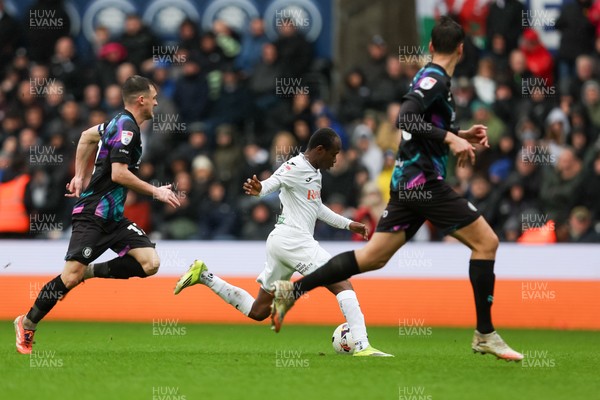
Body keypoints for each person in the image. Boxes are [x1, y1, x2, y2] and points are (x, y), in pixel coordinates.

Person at [268, 17, 524, 362]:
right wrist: (450, 138)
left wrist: (459, 134)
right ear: (461, 50)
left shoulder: (430, 77)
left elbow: (421, 125)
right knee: (487, 242)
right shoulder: (434, 77)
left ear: (431, 46)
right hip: (422, 180)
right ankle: (484, 334)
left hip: (407, 182)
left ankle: (293, 289)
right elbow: (405, 118)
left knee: (373, 257)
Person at [174, 128, 392, 357]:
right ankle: (361, 346)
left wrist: (349, 224)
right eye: (334, 154)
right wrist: (260, 190)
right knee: (342, 283)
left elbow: (316, 208)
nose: (336, 159)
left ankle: (204, 276)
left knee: (258, 310)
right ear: (320, 150)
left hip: (283, 243)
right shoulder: (296, 166)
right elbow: (274, 181)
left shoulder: (314, 173)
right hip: (294, 241)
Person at [14, 75, 181, 354]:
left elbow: (86, 136)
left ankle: (89, 271)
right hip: (93, 214)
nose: (156, 102)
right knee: (68, 278)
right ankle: (27, 322)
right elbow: (118, 173)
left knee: (150, 263)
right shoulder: (128, 129)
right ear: (141, 100)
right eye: (153, 97)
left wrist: (80, 175)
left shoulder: (116, 122)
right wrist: (156, 192)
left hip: (114, 218)